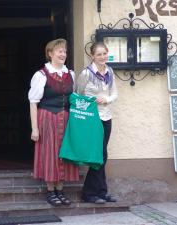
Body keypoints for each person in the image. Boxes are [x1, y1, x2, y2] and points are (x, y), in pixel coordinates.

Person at [28, 38, 79, 206]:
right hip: (47, 117)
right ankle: (51, 191)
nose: (63, 54)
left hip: (66, 119)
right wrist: (34, 128)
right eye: (59, 51)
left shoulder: (70, 74)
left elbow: (75, 99)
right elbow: (33, 102)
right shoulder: (41, 75)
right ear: (50, 53)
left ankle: (60, 189)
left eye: (64, 51)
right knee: (50, 153)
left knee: (65, 152)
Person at [76, 42, 118, 204]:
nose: (102, 57)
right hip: (92, 118)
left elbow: (114, 93)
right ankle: (90, 193)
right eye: (99, 54)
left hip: (106, 117)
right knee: (97, 155)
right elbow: (78, 96)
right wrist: (93, 100)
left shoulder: (110, 71)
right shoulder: (86, 74)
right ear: (92, 56)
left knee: (103, 155)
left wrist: (106, 99)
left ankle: (101, 191)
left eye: (104, 54)